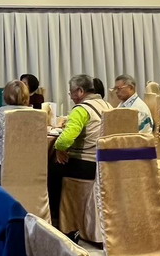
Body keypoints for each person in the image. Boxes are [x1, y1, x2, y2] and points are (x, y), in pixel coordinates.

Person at [48, 74, 112, 219]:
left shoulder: (81, 109)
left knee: (52, 169)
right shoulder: (108, 106)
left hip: (87, 164)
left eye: (71, 92)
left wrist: (58, 148)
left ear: (80, 91)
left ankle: (56, 216)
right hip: (105, 163)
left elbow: (65, 140)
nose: (71, 97)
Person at [0, 80, 31, 182]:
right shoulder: (35, 114)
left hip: (2, 163)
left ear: (6, 95)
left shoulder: (0, 112)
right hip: (29, 165)